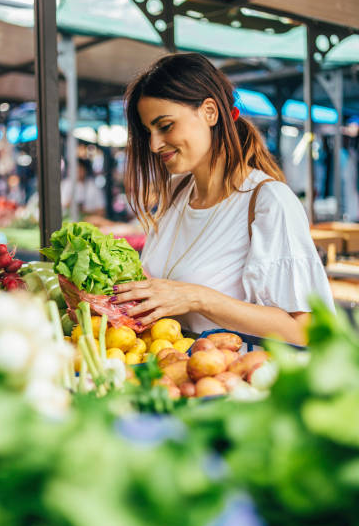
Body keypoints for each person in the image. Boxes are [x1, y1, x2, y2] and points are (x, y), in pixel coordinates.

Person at [110, 53, 334, 345]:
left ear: (210, 112)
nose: (153, 144)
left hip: (235, 382)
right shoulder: (177, 193)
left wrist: (197, 297)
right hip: (174, 375)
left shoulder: (269, 201)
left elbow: (307, 331)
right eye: (148, 131)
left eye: (165, 126)